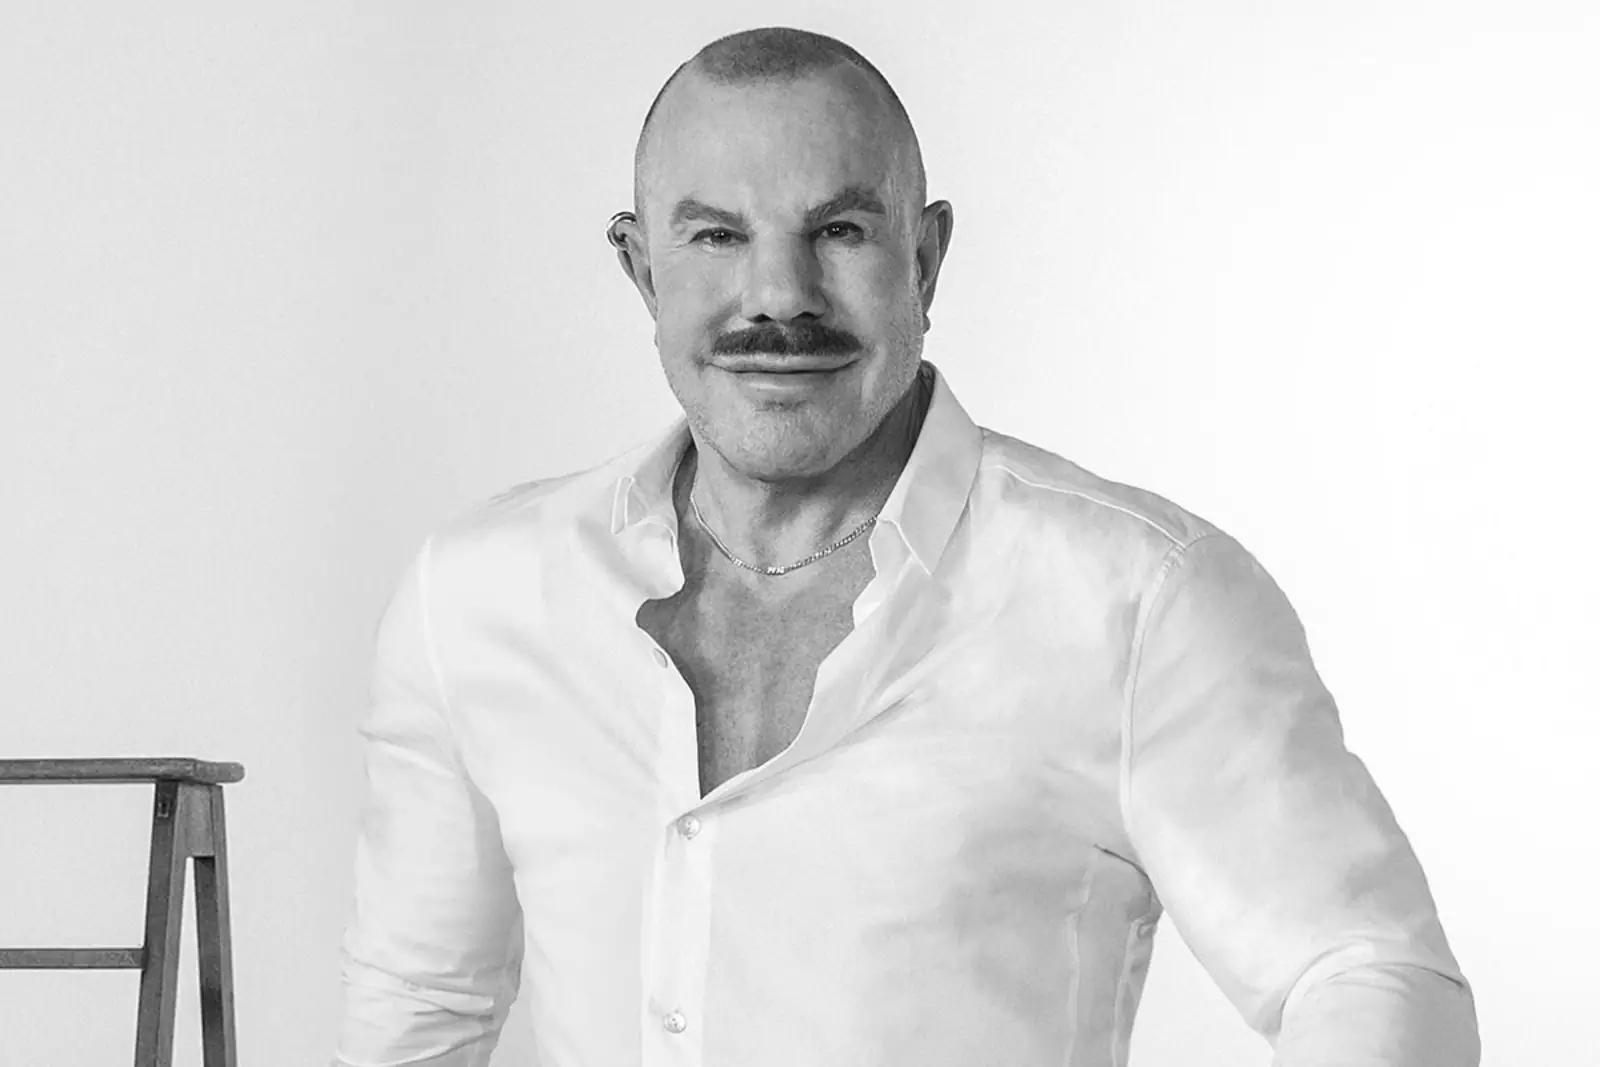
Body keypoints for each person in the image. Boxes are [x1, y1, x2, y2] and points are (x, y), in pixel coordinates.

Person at [335, 26, 1479, 1067]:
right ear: (642, 269)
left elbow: (1363, 969)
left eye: (838, 231)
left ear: (924, 259)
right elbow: (419, 1011)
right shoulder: (475, 597)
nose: (778, 297)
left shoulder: (1137, 597)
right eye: (717, 235)